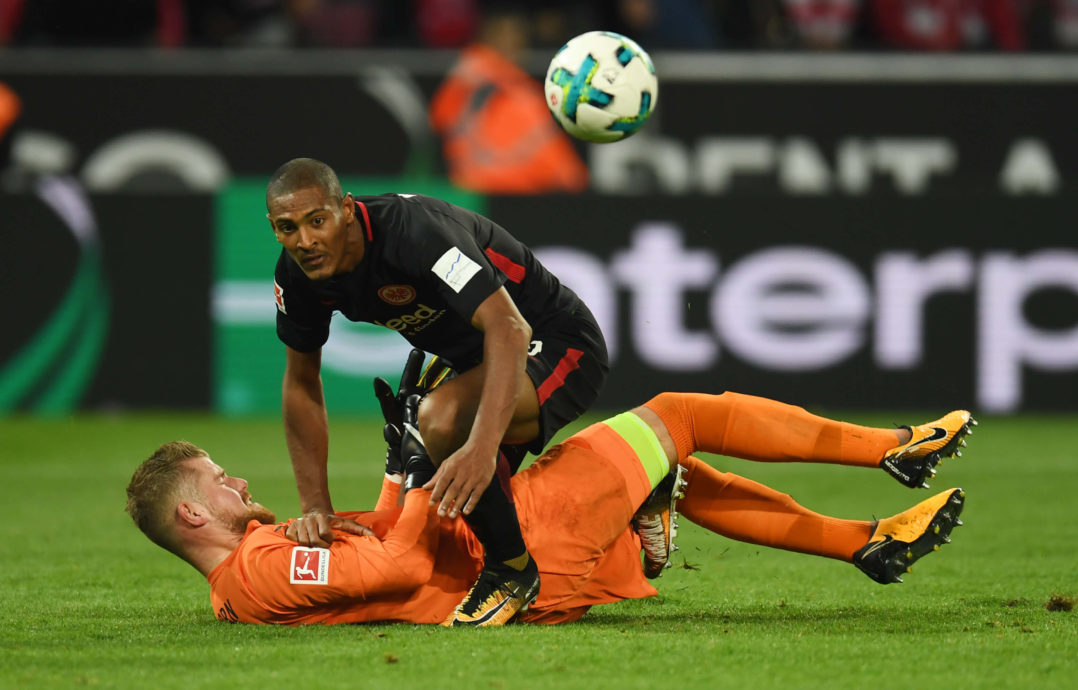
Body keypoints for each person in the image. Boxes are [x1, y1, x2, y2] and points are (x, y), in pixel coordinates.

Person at [125, 388, 975, 626]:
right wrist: (421, 474)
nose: (239, 484)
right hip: (519, 551)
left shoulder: (252, 574)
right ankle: (893, 446)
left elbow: (377, 546)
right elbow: (397, 563)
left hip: (508, 549)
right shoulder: (263, 567)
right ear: (191, 519)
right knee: (678, 417)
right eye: (218, 482)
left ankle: (867, 542)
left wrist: (402, 470)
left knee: (671, 462)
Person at [264, 157, 608, 625]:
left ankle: (511, 571)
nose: (305, 241)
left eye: (317, 221)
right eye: (287, 228)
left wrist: (482, 447)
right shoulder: (296, 276)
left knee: (440, 420)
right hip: (477, 365)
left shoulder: (416, 233)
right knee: (445, 510)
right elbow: (301, 383)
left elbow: (508, 328)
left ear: (345, 209)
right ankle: (636, 498)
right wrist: (316, 507)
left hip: (557, 343)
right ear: (273, 228)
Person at [428, 7, 589, 194]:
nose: (513, 45)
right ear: (489, 40)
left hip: (526, 193)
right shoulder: (469, 79)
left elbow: (568, 173)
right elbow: (440, 118)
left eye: (517, 39)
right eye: (504, 37)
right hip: (482, 190)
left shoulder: (523, 91)